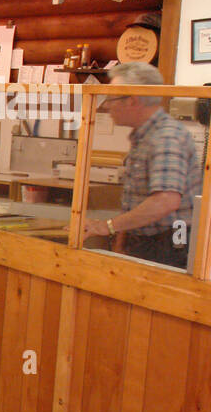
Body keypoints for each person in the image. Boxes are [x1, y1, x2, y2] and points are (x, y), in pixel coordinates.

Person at [83, 62, 201, 269]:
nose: (107, 105)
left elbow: (165, 201)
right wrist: (121, 238)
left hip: (169, 245)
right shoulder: (144, 135)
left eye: (112, 98)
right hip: (147, 242)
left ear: (133, 101)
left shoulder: (165, 137)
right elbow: (136, 201)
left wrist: (107, 227)